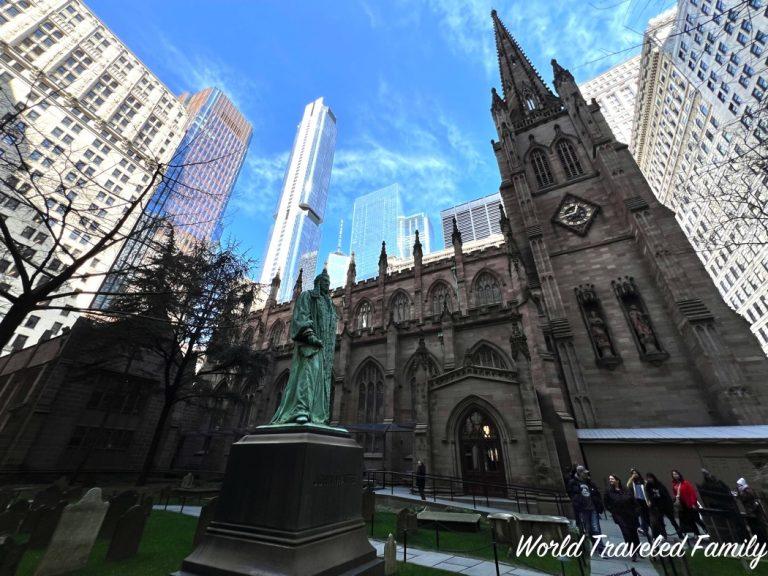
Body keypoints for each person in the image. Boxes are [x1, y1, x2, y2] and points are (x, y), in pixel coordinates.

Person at [567, 465, 605, 552]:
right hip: (582, 510)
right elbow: (571, 495)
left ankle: (601, 548)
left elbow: (596, 494)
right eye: (584, 473)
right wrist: (577, 504)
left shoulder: (589, 482)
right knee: (587, 529)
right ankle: (593, 545)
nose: (586, 475)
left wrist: (599, 505)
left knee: (596, 528)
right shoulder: (573, 483)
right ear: (580, 473)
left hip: (592, 509)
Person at [604, 474, 640, 561]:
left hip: (630, 514)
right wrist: (612, 511)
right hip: (619, 515)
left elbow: (633, 501)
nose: (611, 480)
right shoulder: (609, 491)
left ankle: (637, 548)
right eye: (610, 479)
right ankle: (632, 552)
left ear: (617, 480)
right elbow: (606, 503)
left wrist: (636, 512)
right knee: (626, 533)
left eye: (612, 479)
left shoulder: (626, 490)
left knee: (633, 533)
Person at [645, 472, 683, 540]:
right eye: (648, 478)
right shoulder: (648, 487)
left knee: (673, 521)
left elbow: (666, 495)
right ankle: (664, 535)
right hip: (657, 507)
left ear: (653, 478)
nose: (649, 480)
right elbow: (649, 496)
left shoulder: (659, 485)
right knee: (661, 522)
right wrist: (650, 502)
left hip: (665, 505)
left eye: (650, 478)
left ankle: (680, 534)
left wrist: (670, 505)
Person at [672, 470, 707, 536]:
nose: (675, 475)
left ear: (679, 474)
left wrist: (693, 503)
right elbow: (675, 494)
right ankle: (697, 534)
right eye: (673, 474)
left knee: (697, 519)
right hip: (683, 506)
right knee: (690, 521)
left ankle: (706, 529)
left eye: (676, 474)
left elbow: (692, 493)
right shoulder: (674, 485)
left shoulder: (685, 483)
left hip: (690, 504)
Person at [735, 478, 767, 543]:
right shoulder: (744, 490)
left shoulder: (747, 490)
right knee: (756, 529)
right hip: (751, 513)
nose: (738, 487)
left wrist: (738, 494)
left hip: (754, 513)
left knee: (760, 528)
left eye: (739, 485)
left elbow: (746, 498)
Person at [627, 468, 651, 538]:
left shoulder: (643, 481)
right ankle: (644, 529)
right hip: (638, 501)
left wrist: (649, 500)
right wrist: (632, 478)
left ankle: (644, 528)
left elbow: (648, 490)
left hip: (645, 501)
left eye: (636, 473)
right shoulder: (633, 482)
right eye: (633, 474)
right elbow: (628, 485)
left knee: (647, 516)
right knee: (642, 516)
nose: (635, 475)